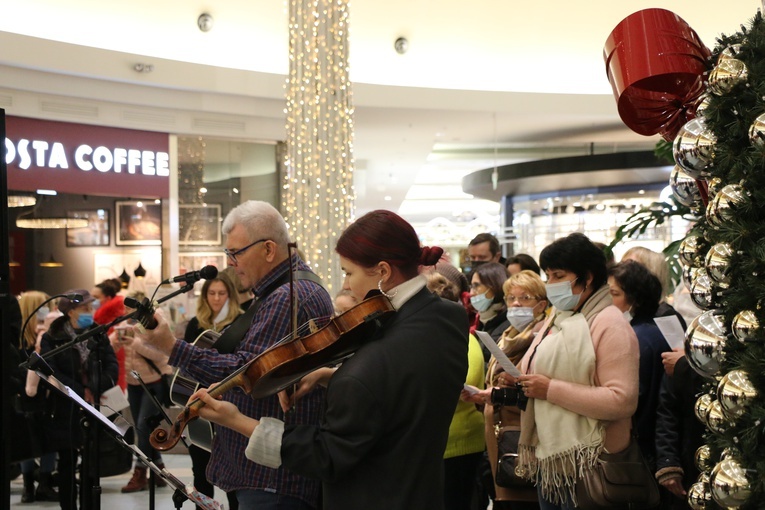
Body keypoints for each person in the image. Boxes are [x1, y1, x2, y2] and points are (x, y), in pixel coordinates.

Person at [188, 209, 469, 509]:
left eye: (349, 273)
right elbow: (404, 391)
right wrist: (326, 375)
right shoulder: (449, 317)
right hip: (424, 493)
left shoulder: (367, 368)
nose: (346, 285)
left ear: (384, 272)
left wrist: (237, 421)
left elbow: (327, 456)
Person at [142, 200, 334, 509]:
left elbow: (244, 374)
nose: (230, 262)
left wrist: (172, 348)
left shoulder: (287, 298)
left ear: (269, 249)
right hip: (269, 472)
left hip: (272, 479)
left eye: (236, 252)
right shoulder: (284, 292)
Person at [504, 233, 639, 509]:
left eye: (558, 276)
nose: (550, 284)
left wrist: (550, 389)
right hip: (553, 462)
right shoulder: (560, 318)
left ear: (586, 277)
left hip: (593, 463)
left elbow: (621, 400)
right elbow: (536, 367)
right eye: (548, 276)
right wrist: (519, 380)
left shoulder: (609, 324)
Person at [464, 270, 548, 509]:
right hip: (498, 429)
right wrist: (480, 395)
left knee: (522, 498)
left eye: (525, 298)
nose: (516, 304)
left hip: (524, 432)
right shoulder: (507, 337)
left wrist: (513, 384)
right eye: (511, 298)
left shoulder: (543, 337)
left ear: (541, 304)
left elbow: (538, 388)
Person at [40, 290, 120, 510]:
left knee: (92, 464)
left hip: (94, 405)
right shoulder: (53, 337)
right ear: (71, 311)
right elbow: (51, 372)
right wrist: (78, 390)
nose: (90, 312)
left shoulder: (98, 334)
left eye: (91, 307)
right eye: (85, 308)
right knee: (67, 463)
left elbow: (112, 365)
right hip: (65, 407)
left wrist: (95, 387)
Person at [182, 271, 244, 508]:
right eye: (212, 293)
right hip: (199, 404)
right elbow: (186, 365)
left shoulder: (240, 322)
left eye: (221, 293)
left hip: (228, 403)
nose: (216, 298)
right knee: (201, 471)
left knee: (232, 473)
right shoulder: (196, 324)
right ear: (204, 296)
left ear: (230, 295)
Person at [427, 272, 484, 510]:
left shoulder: (460, 337)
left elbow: (463, 381)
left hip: (457, 443)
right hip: (444, 443)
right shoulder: (445, 335)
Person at [607, 260, 670, 471]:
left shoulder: (635, 337)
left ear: (636, 299)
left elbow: (635, 396)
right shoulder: (652, 329)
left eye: (614, 294)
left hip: (639, 448)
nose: (607, 301)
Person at [109, 291, 172, 493]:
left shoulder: (155, 326)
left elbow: (162, 355)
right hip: (133, 383)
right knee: (142, 428)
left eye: (132, 308)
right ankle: (158, 469)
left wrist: (134, 343)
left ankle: (140, 472)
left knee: (144, 427)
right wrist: (115, 341)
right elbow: (109, 347)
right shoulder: (125, 327)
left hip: (154, 382)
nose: (128, 312)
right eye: (126, 308)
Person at [17, 291, 59, 503]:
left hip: (24, 396)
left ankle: (29, 488)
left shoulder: (18, 335)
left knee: (30, 440)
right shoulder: (40, 336)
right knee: (46, 441)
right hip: (39, 395)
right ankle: (42, 483)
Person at [470, 262, 510, 359]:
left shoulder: (508, 324)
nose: (471, 293)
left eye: (476, 286)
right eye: (471, 286)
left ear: (495, 286)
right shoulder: (483, 321)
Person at [93, 278, 127, 390]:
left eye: (96, 298)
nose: (93, 301)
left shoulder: (113, 324)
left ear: (108, 298)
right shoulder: (106, 321)